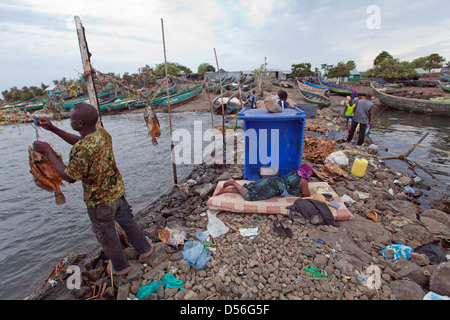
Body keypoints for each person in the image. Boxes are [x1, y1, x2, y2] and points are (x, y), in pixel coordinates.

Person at [33, 103, 152, 276]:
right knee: (129, 222)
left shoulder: (83, 149)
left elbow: (70, 176)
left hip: (99, 202)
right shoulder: (101, 133)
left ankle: (121, 267)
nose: (70, 121)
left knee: (106, 234)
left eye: (72, 119)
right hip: (117, 192)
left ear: (80, 124)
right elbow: (82, 142)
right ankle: (145, 249)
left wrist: (48, 151)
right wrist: (52, 129)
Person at [212, 164, 312, 200]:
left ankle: (222, 191)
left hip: (273, 179)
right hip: (275, 187)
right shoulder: (304, 181)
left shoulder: (295, 173)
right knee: (249, 195)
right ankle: (233, 182)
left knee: (249, 188)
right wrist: (300, 194)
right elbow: (307, 195)